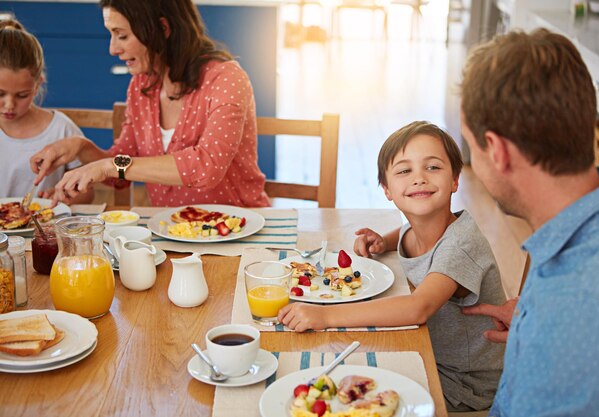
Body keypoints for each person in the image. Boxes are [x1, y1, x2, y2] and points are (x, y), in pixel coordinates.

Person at [279, 121, 506, 412]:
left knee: (350, 383)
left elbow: (417, 309)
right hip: (434, 355)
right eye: (404, 171)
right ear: (387, 189)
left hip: (464, 384)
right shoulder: (421, 228)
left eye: (433, 167)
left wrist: (325, 315)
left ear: (455, 180)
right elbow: (406, 232)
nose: (419, 178)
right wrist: (383, 242)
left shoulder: (460, 245)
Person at [459, 29, 599, 416]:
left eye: (473, 147)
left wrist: (557, 323)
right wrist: (534, 314)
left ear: (497, 151)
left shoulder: (578, 305)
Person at [30, 0, 270, 207]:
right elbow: (120, 174)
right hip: (173, 234)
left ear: (163, 28)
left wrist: (110, 166)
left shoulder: (226, 78)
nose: (113, 49)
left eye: (122, 35)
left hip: (241, 231)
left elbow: (206, 167)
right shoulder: (141, 86)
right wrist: (81, 148)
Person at [0, 19, 93, 203]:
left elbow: (88, 193)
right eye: (0, 93)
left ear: (37, 86)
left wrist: (65, 196)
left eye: (22, 95)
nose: (9, 105)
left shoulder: (61, 129)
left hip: (44, 228)